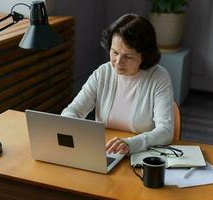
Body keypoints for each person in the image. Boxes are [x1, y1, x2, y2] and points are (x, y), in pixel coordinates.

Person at [61, 14, 174, 155]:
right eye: (114, 52)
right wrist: (71, 127)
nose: (118, 62)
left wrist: (130, 144)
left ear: (144, 56)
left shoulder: (158, 77)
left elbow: (166, 131)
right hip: (104, 152)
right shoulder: (103, 73)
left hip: (140, 155)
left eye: (128, 56)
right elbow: (73, 111)